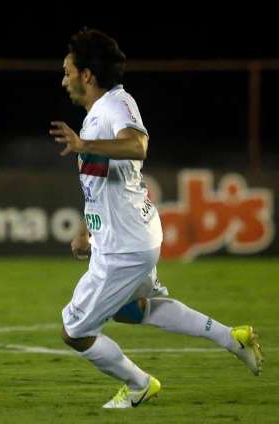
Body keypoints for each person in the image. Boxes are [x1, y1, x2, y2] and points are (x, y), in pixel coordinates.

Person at [49, 28, 263, 409]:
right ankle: (232, 337)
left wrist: (84, 145)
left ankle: (139, 384)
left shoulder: (115, 106)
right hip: (127, 236)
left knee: (74, 331)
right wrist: (86, 231)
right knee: (134, 310)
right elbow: (98, 183)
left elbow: (137, 145)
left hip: (124, 247)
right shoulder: (100, 113)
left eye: (67, 71)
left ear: (87, 75)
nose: (62, 79)